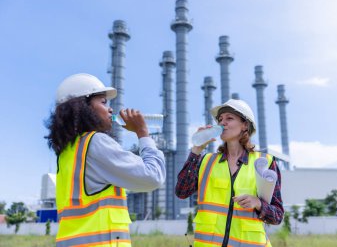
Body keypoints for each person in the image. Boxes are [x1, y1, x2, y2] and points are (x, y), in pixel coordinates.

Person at [45, 73, 166, 247]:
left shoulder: (67, 153)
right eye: (103, 102)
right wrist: (143, 134)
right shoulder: (95, 142)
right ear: (82, 107)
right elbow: (153, 177)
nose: (110, 109)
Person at [176, 99, 283, 247]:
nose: (222, 123)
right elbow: (181, 191)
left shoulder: (265, 163)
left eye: (229, 118)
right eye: (220, 119)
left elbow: (277, 215)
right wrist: (196, 151)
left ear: (245, 125)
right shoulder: (206, 161)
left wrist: (258, 203)